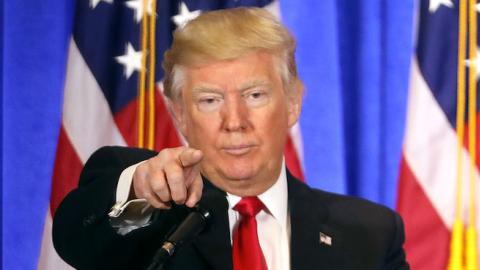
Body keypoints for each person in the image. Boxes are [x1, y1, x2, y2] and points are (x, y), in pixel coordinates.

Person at [53, 7, 409, 270]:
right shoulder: (150, 212)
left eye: (255, 95)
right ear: (179, 114)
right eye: (210, 101)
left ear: (293, 103)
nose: (234, 122)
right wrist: (140, 192)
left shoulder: (371, 235)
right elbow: (78, 238)